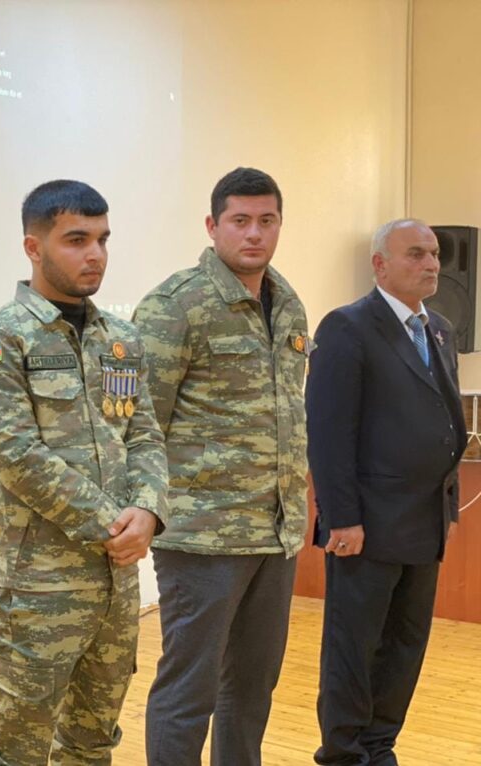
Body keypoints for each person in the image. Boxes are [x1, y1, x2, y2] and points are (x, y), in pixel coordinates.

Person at [0, 180, 168, 765]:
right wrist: (115, 522)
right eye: (77, 240)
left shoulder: (121, 340)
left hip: (117, 584)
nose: (95, 254)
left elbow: (145, 434)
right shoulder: (1, 338)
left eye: (103, 239)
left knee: (92, 743)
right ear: (33, 247)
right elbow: (15, 455)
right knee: (16, 749)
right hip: (41, 588)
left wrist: (149, 510)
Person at [132, 167, 310, 766]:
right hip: (201, 536)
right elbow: (139, 425)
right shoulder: (175, 305)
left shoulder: (288, 304)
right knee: (189, 692)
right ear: (212, 226)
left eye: (266, 220)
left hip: (275, 534)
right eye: (240, 221)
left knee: (252, 690)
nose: (254, 233)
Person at [307, 218, 466, 766]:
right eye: (416, 253)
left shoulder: (439, 329)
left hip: (424, 522)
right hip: (367, 526)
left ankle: (380, 748)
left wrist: (448, 507)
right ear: (380, 264)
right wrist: (341, 517)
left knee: (405, 646)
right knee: (354, 648)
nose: (432, 264)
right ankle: (344, 753)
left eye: (435, 254)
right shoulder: (348, 327)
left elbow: (446, 420)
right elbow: (329, 434)